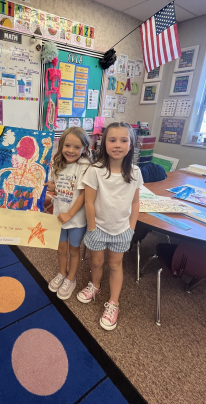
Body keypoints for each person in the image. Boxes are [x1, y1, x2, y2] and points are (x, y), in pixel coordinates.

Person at [78, 122, 143, 331]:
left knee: (116, 265)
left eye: (124, 140)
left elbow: (135, 202)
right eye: (112, 140)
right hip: (98, 228)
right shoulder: (95, 170)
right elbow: (89, 202)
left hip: (122, 229)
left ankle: (114, 303)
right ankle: (95, 286)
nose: (118, 145)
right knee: (96, 262)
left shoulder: (135, 172)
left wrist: (131, 227)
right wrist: (92, 227)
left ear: (131, 145)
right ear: (104, 144)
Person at [46, 127, 90, 300]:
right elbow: (61, 189)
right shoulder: (58, 164)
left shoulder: (84, 167)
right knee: (61, 248)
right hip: (59, 215)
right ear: (61, 145)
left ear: (84, 149)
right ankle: (62, 273)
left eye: (76, 147)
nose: (71, 151)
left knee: (74, 250)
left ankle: (71, 278)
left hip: (76, 219)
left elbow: (84, 194)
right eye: (67, 146)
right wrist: (53, 188)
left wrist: (70, 214)